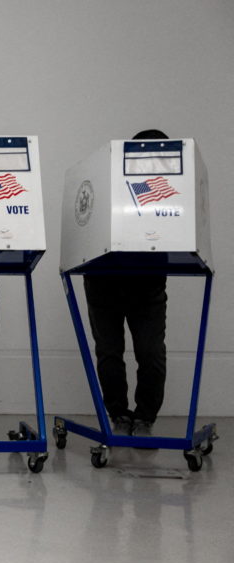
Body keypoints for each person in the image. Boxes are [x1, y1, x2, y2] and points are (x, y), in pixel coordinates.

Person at [84, 128, 170, 436]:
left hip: (147, 284)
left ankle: (145, 418)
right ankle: (119, 415)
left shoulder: (171, 189)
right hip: (104, 282)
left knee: (151, 353)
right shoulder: (108, 183)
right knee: (109, 352)